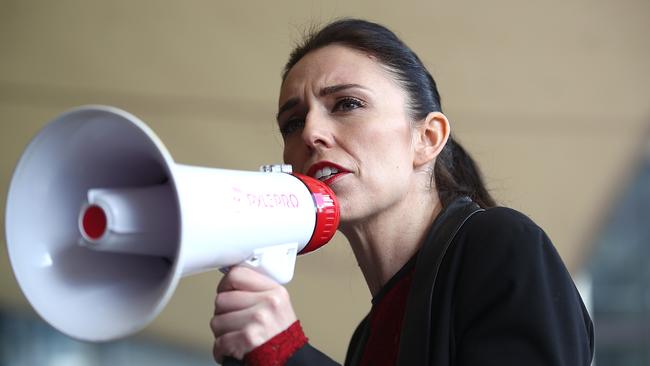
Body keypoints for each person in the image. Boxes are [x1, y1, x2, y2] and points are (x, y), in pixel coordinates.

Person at [210, 18, 594, 366]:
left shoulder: (502, 244)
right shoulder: (369, 334)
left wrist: (288, 354)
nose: (311, 133)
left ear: (427, 138)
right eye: (292, 123)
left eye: (347, 104)